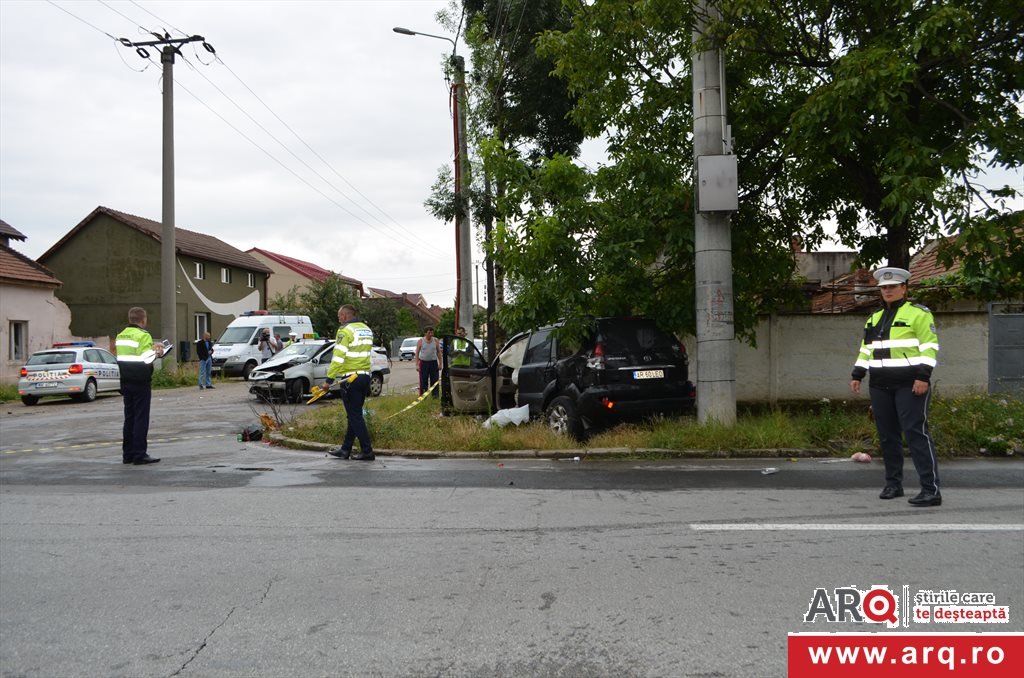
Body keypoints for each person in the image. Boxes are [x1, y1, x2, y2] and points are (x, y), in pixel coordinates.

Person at [850, 266, 941, 507]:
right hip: (880, 385)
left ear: (904, 288)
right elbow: (866, 350)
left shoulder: (919, 314)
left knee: (915, 433)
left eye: (892, 287)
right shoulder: (874, 318)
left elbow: (929, 347)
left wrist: (923, 377)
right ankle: (893, 484)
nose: (887, 291)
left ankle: (931, 489)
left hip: (910, 384)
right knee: (887, 436)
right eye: (884, 288)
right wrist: (858, 373)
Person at [325, 304, 375, 461]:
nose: (338, 319)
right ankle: (345, 449)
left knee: (355, 416)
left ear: (345, 316)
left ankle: (367, 451)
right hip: (365, 376)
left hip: (350, 378)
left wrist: (328, 380)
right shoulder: (366, 329)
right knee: (354, 415)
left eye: (339, 316)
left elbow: (338, 357)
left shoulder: (345, 330)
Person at [115, 306, 164, 465]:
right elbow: (145, 359)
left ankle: (127, 454)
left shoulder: (121, 335)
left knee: (129, 418)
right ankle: (139, 454)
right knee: (141, 418)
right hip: (140, 380)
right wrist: (157, 352)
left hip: (125, 380)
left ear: (130, 319)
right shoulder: (144, 335)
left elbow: (129, 355)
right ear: (143, 320)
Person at [416, 326, 441, 397]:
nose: (431, 334)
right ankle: (423, 396)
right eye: (429, 332)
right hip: (423, 363)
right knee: (423, 380)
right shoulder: (421, 341)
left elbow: (439, 352)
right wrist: (417, 365)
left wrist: (440, 364)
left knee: (435, 380)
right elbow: (417, 353)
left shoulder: (435, 340)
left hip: (433, 363)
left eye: (432, 332)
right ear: (425, 333)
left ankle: (435, 396)